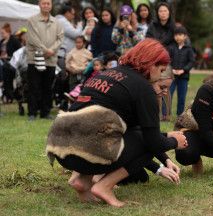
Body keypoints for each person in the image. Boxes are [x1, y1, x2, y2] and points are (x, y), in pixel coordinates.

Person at [46, 39, 188, 207]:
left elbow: (136, 133)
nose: (160, 75)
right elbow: (151, 142)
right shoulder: (143, 88)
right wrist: (174, 142)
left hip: (60, 147)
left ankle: (82, 182)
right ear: (151, 65)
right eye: (161, 69)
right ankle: (104, 187)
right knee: (147, 144)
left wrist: (164, 156)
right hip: (86, 153)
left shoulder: (107, 73)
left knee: (105, 132)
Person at [26, 0, 64, 121]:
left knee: (47, 87)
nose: (46, 5)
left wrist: (51, 50)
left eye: (48, 3)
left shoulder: (57, 22)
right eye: (44, 3)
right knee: (34, 86)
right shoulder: (32, 20)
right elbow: (32, 38)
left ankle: (45, 112)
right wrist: (45, 50)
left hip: (51, 59)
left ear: (51, 5)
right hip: (35, 58)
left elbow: (60, 38)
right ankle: (32, 113)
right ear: (39, 5)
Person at [169, 26, 195, 116]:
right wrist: (171, 69)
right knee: (168, 94)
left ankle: (179, 115)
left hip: (183, 77)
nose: (177, 37)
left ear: (185, 36)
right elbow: (168, 60)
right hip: (172, 76)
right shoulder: (171, 48)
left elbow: (191, 61)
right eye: (176, 35)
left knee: (181, 97)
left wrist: (183, 70)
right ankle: (165, 115)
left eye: (180, 35)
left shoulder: (189, 49)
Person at [0, 23, 21, 103]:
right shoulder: (1, 41)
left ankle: (8, 92)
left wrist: (8, 56)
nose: (1, 35)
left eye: (3, 33)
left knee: (5, 68)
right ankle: (5, 90)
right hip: (2, 62)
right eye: (1, 33)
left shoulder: (14, 41)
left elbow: (20, 53)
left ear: (8, 32)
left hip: (11, 63)